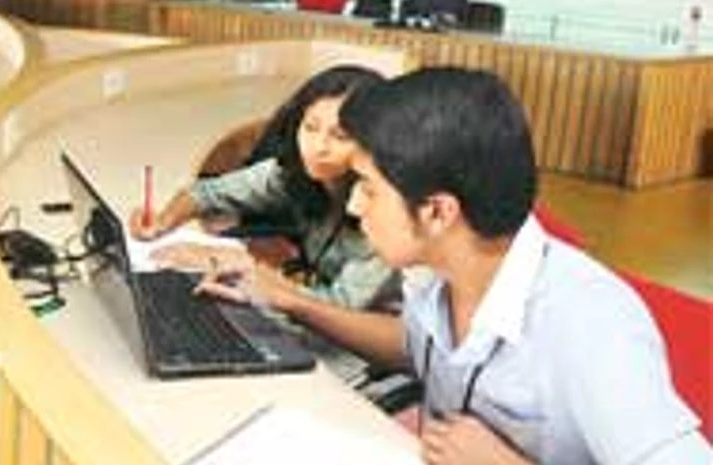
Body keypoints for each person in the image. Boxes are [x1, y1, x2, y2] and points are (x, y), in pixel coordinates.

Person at [184, 67, 713, 464]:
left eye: (368, 189)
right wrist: (291, 301)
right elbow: (418, 346)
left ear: (438, 211)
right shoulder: (444, 268)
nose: (355, 206)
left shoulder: (591, 327)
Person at [131, 65, 400, 312]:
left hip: (351, 338)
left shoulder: (386, 216)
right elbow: (208, 193)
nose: (318, 147)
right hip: (307, 308)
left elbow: (340, 310)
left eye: (340, 136)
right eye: (310, 128)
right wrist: (162, 224)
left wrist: (246, 270)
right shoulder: (294, 172)